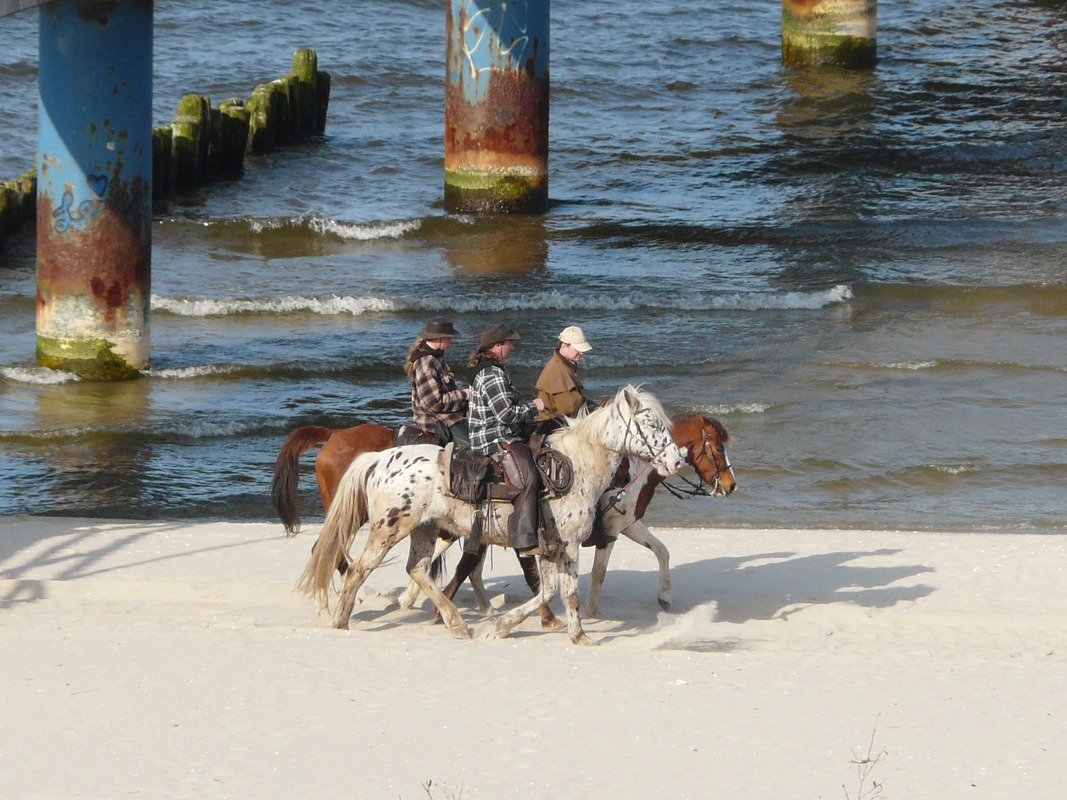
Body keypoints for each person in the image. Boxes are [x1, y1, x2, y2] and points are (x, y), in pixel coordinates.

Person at [468, 324, 546, 554]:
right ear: (497, 346)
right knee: (527, 478)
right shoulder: (492, 374)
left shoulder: (494, 370)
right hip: (492, 437)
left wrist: (527, 405)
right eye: (509, 343)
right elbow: (505, 414)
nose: (512, 347)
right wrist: (534, 407)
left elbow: (511, 404)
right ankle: (524, 540)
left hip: (498, 431)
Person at [405, 317, 470, 448]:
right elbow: (431, 403)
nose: (451, 341)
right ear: (439, 338)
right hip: (436, 423)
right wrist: (464, 394)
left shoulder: (436, 357)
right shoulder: (427, 362)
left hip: (446, 418)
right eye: (449, 337)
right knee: (475, 447)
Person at [536, 325, 593, 422]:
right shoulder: (558, 370)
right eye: (577, 349)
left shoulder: (563, 365)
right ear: (564, 346)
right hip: (555, 425)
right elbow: (571, 408)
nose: (582, 353)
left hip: (559, 421)